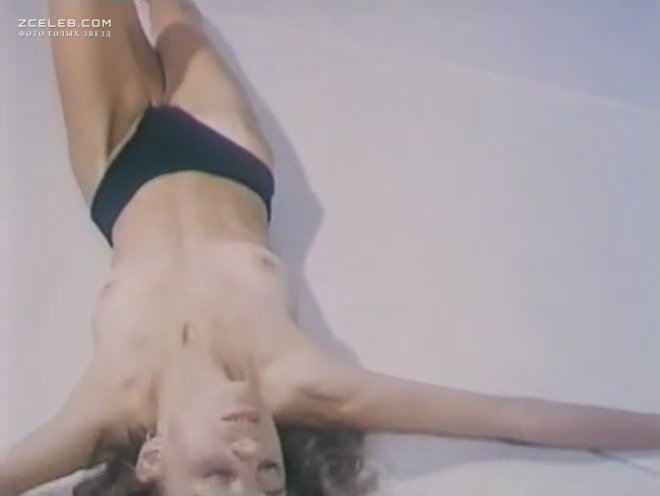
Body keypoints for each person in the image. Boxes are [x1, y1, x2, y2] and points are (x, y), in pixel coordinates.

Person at [1, 1, 659, 495]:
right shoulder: (301, 381)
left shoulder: (110, 404)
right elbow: (506, 418)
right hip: (226, 149)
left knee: (73, 12)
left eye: (216, 475)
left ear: (152, 460)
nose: (249, 450)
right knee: (176, 15)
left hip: (118, 158)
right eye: (268, 475)